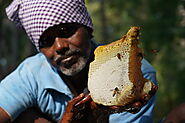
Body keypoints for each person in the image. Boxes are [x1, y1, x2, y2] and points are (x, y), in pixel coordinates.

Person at [0, 0, 158, 123]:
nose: (60, 46)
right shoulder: (32, 72)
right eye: (47, 41)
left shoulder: (132, 72)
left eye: (66, 31)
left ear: (88, 28)